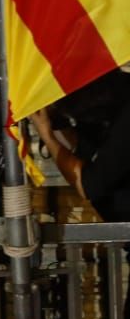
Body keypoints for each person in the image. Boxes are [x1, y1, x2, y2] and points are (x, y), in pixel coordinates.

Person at [33, 67, 130, 222]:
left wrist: (47, 136)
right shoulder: (109, 101)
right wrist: (56, 122)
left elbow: (87, 185)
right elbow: (82, 152)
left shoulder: (123, 118)